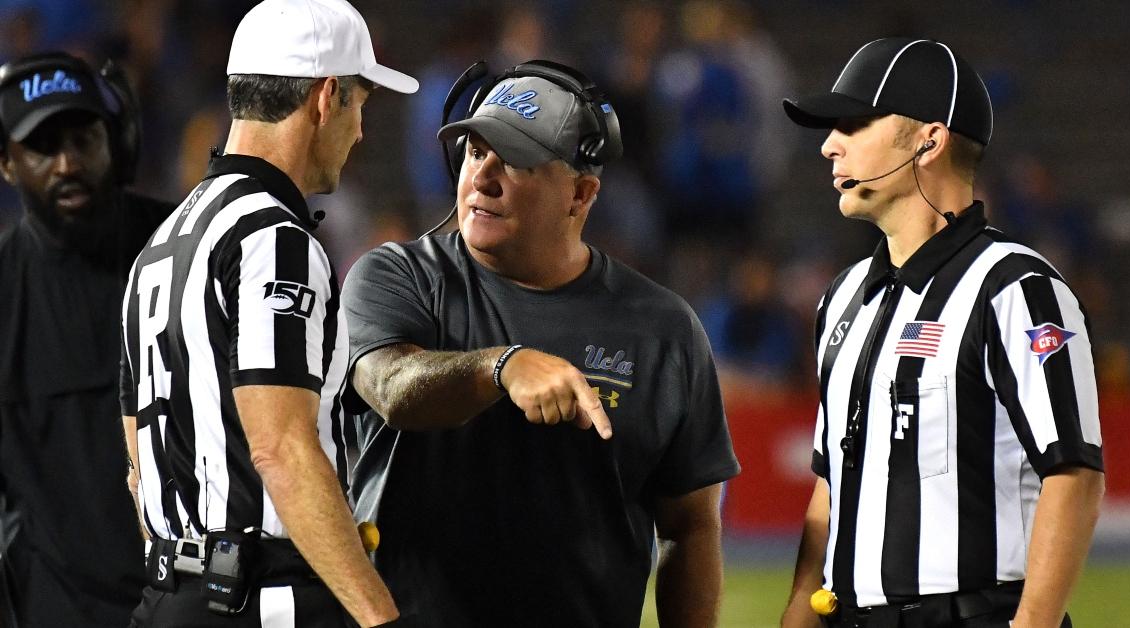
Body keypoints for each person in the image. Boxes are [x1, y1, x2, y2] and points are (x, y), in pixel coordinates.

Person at [342, 60, 741, 628]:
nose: (482, 177)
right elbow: (390, 386)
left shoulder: (663, 328)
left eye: (514, 161)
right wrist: (501, 368)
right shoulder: (397, 278)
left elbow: (690, 526)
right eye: (475, 152)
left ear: (580, 193)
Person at [777, 38, 1105, 628]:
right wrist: (799, 613)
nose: (829, 145)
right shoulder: (843, 295)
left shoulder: (1015, 287)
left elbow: (1074, 474)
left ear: (929, 141)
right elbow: (832, 481)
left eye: (854, 125)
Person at [118, 0, 418, 625]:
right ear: (326, 96)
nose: (361, 132)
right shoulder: (272, 237)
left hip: (170, 597)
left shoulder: (160, 245)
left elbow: (139, 468)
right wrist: (379, 616)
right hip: (261, 599)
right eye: (360, 103)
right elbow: (281, 448)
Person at [0, 51, 173, 626]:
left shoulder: (189, 249)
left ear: (118, 143)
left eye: (83, 139)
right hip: (57, 607)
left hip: (195, 599)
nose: (67, 163)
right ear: (6, 164)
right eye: (42, 148)